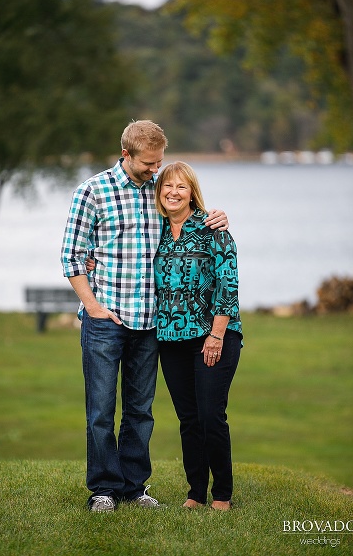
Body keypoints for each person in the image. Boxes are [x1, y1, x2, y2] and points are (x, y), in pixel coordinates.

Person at [61, 120, 228, 512]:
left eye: (159, 163)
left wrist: (216, 217)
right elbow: (71, 256)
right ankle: (103, 488)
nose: (157, 171)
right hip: (106, 321)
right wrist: (94, 306)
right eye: (149, 164)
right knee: (101, 410)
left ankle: (134, 487)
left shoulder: (159, 190)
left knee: (140, 411)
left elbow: (187, 215)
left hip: (150, 323)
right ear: (126, 155)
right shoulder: (93, 192)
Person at [153, 161, 242, 511]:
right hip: (170, 338)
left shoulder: (212, 228)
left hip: (214, 334)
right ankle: (195, 492)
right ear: (159, 192)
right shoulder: (155, 230)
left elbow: (228, 284)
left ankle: (222, 493)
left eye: (181, 187)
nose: (173, 193)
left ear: (192, 192)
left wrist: (216, 335)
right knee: (188, 419)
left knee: (210, 414)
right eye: (167, 186)